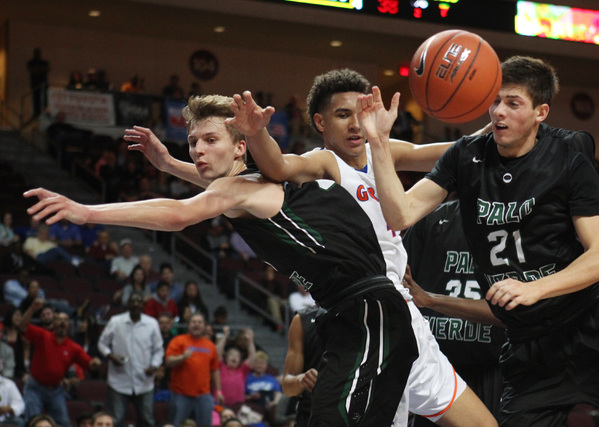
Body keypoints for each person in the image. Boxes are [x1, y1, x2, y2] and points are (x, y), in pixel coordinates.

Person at [23, 93, 419, 427]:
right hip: (356, 315)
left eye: (210, 139)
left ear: (241, 146)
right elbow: (220, 187)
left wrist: (88, 212)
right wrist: (167, 165)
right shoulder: (253, 185)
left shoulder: (242, 189)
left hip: (371, 311)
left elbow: (181, 213)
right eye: (193, 142)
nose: (197, 149)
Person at [364, 55, 599, 426]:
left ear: (541, 112)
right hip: (530, 350)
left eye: (513, 103)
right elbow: (401, 214)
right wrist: (379, 142)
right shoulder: (465, 155)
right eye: (494, 102)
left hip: (593, 326)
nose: (499, 112)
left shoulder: (568, 155)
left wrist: (536, 288)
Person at [226, 70, 495, 426]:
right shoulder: (323, 163)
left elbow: (454, 153)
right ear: (320, 122)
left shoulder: (382, 151)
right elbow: (276, 166)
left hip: (405, 312)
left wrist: (499, 119)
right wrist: (257, 132)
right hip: (367, 315)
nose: (356, 124)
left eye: (361, 112)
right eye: (342, 115)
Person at [402, 199, 506, 422]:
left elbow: (520, 313)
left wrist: (430, 300)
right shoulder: (429, 219)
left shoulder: (518, 223)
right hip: (434, 365)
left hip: (492, 367)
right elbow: (403, 288)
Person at [19, 298, 101, 427]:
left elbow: (89, 364)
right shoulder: (43, 335)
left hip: (55, 390)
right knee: (32, 422)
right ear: (54, 324)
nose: (62, 322)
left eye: (65, 320)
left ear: (69, 325)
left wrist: (95, 362)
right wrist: (32, 309)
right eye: (59, 320)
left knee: (63, 424)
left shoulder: (73, 347)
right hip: (35, 387)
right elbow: (22, 326)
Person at [98, 291, 164, 427]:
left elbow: (159, 350)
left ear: (142, 304)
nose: (135, 304)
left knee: (147, 420)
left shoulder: (152, 324)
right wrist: (110, 356)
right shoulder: (116, 321)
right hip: (119, 381)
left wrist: (154, 366)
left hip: (144, 381)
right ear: (128, 304)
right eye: (132, 301)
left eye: (138, 301)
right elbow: (102, 343)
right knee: (115, 420)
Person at [165, 313, 222, 426]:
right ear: (188, 325)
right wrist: (182, 357)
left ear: (205, 326)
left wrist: (219, 391)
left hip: (204, 395)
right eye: (194, 322)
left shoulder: (210, 345)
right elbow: (168, 362)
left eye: (200, 322)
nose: (197, 325)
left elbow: (215, 370)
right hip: (181, 394)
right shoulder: (178, 340)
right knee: (178, 424)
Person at [281, 305, 326, 427]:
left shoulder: (366, 314)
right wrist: (301, 380)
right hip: (312, 414)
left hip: (356, 411)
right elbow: (287, 387)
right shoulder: (303, 320)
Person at [215, 326, 256, 407]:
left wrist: (250, 341)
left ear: (240, 360)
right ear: (226, 358)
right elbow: (216, 353)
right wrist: (225, 336)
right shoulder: (220, 367)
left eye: (237, 356)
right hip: (220, 404)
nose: (234, 357)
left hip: (238, 406)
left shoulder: (242, 370)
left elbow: (252, 357)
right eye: (231, 355)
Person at [244, 351, 282, 424]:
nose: (260, 365)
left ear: (266, 365)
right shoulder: (247, 378)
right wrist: (250, 397)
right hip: (252, 409)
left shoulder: (272, 379)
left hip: (269, 409)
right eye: (257, 363)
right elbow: (240, 396)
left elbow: (278, 393)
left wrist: (274, 402)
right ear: (253, 364)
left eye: (262, 363)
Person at [26, 48, 49, 118]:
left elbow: (46, 69)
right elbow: (32, 71)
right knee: (36, 98)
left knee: (45, 98)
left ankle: (45, 111)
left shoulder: (44, 62)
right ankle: (37, 112)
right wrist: (40, 70)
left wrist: (38, 70)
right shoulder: (31, 62)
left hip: (43, 83)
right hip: (35, 83)